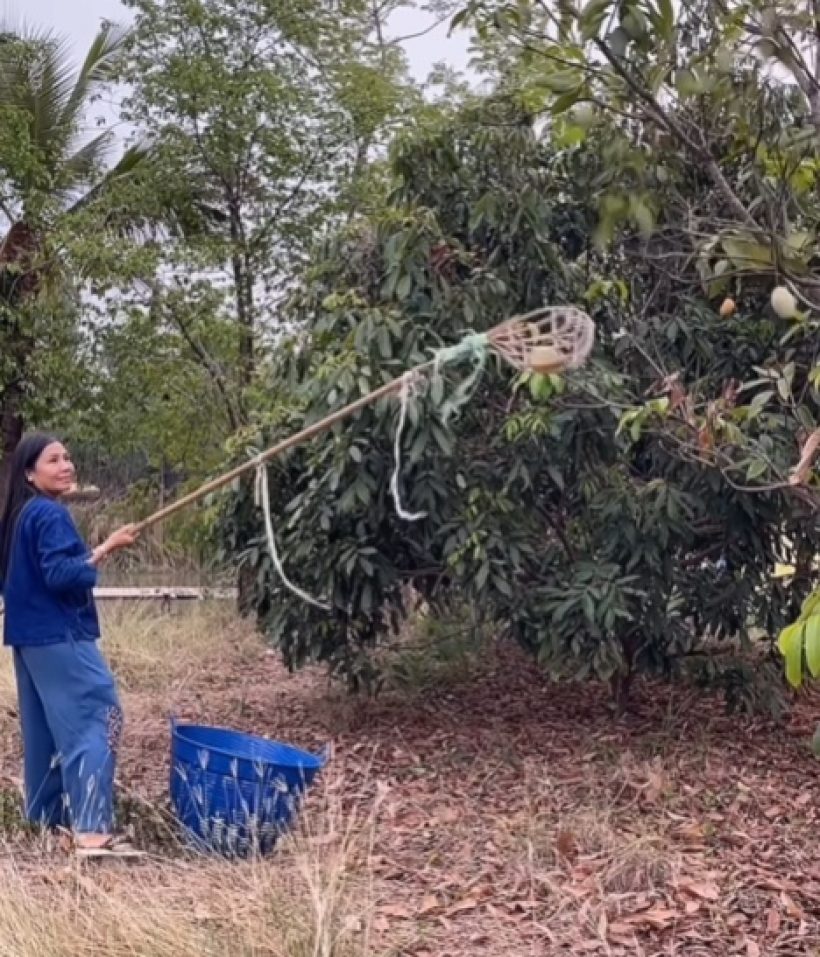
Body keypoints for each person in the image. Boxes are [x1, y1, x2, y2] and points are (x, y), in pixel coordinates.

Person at [0, 433, 141, 858]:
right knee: (101, 717)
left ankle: (47, 821)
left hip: (29, 642)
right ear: (30, 473)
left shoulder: (20, 515)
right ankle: (93, 833)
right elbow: (62, 575)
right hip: (60, 637)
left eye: (68, 458)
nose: (67, 465)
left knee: (44, 733)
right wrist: (106, 548)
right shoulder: (48, 514)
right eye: (53, 460)